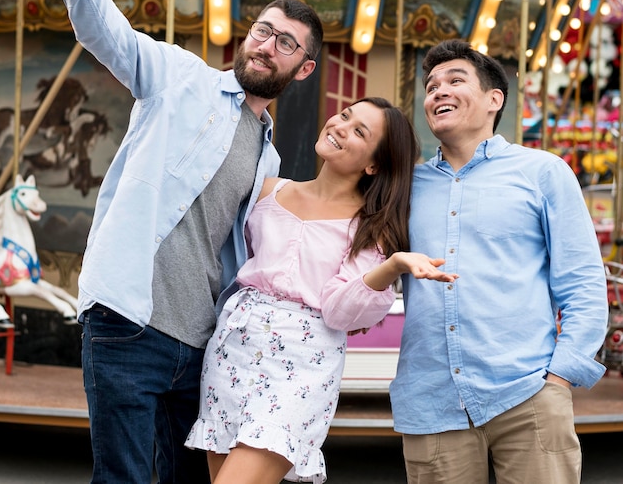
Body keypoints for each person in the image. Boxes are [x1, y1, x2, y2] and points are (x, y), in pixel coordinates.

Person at [40, 0, 323, 484]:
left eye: (286, 43)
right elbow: (105, 31)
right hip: (128, 320)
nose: (267, 44)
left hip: (200, 344)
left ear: (304, 69)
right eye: (263, 31)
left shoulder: (268, 155)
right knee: (123, 478)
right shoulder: (179, 77)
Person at [185, 97, 458, 484]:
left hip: (302, 361)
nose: (341, 126)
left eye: (359, 131)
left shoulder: (369, 227)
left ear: (373, 164)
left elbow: (340, 312)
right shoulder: (266, 191)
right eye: (345, 115)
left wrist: (390, 267)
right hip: (233, 348)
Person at [390, 39, 610, 483]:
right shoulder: (405, 186)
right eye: (431, 86)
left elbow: (583, 282)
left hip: (527, 391)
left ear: (495, 100)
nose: (439, 92)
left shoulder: (543, 172)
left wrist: (560, 378)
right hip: (432, 400)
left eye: (455, 80)